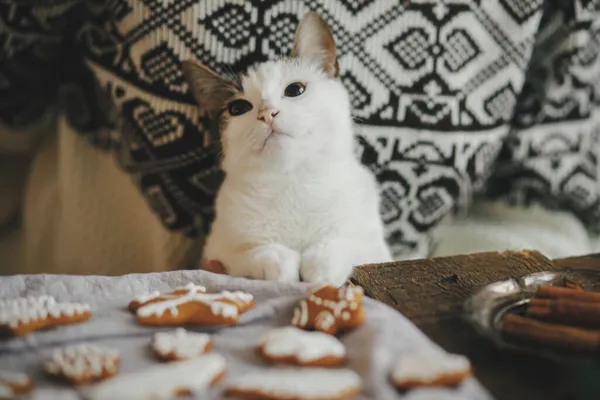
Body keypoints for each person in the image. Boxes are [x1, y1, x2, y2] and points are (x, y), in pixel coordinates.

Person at [1, 1, 598, 276]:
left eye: (291, 93)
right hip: (93, 302)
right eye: (242, 107)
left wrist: (435, 307)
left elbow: (554, 184)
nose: (263, 111)